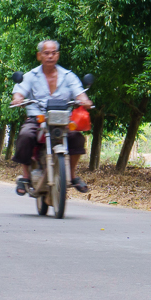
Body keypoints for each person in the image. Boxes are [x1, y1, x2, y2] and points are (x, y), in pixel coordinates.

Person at [12, 39, 92, 196]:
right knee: (26, 135)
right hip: (38, 118)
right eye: (46, 53)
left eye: (53, 53)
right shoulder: (31, 76)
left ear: (58, 55)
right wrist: (18, 98)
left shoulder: (68, 76)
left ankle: (72, 175)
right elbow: (19, 91)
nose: (50, 56)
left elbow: (79, 92)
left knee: (76, 137)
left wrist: (85, 100)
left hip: (63, 119)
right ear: (39, 55)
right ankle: (26, 176)